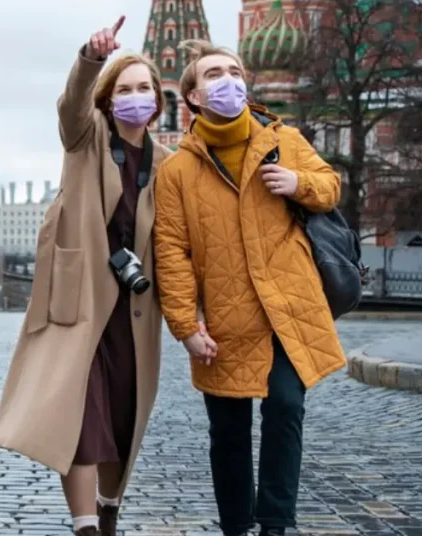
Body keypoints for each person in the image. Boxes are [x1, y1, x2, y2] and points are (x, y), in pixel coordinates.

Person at [153, 40, 347, 536]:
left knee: (285, 407)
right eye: (214, 74)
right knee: (229, 431)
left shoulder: (283, 140)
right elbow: (171, 251)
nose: (228, 80)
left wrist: (297, 181)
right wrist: (183, 325)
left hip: (288, 306)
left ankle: (276, 524)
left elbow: (330, 187)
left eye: (234, 71)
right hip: (224, 316)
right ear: (192, 96)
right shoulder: (176, 170)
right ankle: (236, 527)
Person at [0, 15, 172, 536]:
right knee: (82, 414)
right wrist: (90, 60)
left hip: (134, 308)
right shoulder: (87, 137)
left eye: (144, 89)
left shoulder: (165, 161)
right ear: (109, 96)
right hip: (79, 299)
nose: (135, 96)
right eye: (125, 88)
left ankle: (109, 505)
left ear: (157, 101)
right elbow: (71, 105)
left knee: (122, 415)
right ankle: (86, 526)